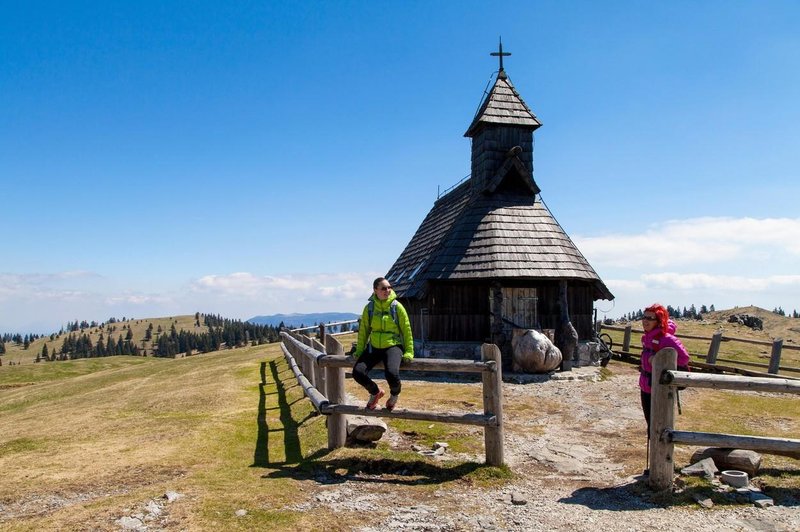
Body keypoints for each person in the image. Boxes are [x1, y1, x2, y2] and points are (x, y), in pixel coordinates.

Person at [352, 277, 414, 411]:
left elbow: (406, 330)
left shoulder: (397, 307)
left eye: (389, 287)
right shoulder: (369, 308)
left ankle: (394, 395)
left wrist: (409, 352)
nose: (388, 290)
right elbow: (364, 331)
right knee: (357, 372)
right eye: (384, 288)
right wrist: (359, 350)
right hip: (374, 346)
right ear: (375, 290)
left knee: (391, 373)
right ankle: (375, 392)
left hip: (393, 345)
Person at [639, 303, 691, 435]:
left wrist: (657, 360)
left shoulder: (667, 339)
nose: (645, 321)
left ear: (659, 321)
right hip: (646, 387)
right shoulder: (647, 337)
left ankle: (660, 454)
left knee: (658, 426)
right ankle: (654, 453)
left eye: (650, 318)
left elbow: (684, 358)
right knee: (651, 425)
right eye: (644, 317)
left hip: (659, 388)